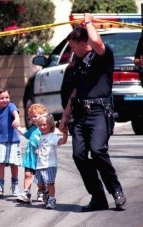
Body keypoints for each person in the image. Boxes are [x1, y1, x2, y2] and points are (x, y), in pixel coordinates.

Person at [59, 13, 127, 212]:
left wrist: (88, 21)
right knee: (79, 155)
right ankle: (98, 198)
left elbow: (96, 41)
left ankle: (116, 191)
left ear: (82, 43)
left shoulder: (102, 56)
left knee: (98, 151)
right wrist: (65, 116)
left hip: (99, 112)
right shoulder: (77, 63)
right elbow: (75, 92)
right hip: (80, 113)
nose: (71, 50)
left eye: (72, 46)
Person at [34, 113, 68, 209]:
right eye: (40, 125)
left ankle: (52, 199)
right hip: (40, 164)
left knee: (50, 183)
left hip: (49, 164)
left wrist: (65, 133)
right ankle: (46, 192)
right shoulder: (41, 136)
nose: (42, 127)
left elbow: (62, 142)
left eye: (44, 125)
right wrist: (38, 150)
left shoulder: (52, 136)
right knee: (39, 184)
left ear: (51, 125)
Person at [15, 103, 47, 204]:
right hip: (30, 156)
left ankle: (43, 190)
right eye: (31, 117)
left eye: (35, 116)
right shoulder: (32, 128)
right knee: (27, 174)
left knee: (39, 180)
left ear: (43, 115)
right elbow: (27, 135)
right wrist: (17, 128)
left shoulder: (45, 128)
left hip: (40, 158)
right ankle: (26, 194)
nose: (33, 119)